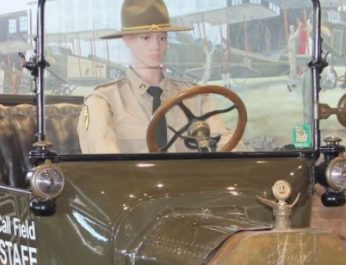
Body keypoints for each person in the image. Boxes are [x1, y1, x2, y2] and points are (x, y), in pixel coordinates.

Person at [77, 0, 238, 154]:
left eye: (162, 38)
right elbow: (106, 166)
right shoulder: (103, 101)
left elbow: (227, 147)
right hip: (134, 182)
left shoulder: (197, 97)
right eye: (146, 38)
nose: (156, 46)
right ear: (127, 40)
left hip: (194, 181)